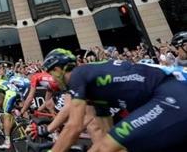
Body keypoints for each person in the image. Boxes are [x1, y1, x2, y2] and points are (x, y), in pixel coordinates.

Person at [42, 48, 187, 152]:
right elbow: (104, 135)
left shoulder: (78, 75)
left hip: (168, 95)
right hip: (168, 96)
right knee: (116, 146)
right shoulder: (95, 91)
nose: (53, 80)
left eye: (51, 74)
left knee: (109, 146)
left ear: (58, 70)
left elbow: (74, 127)